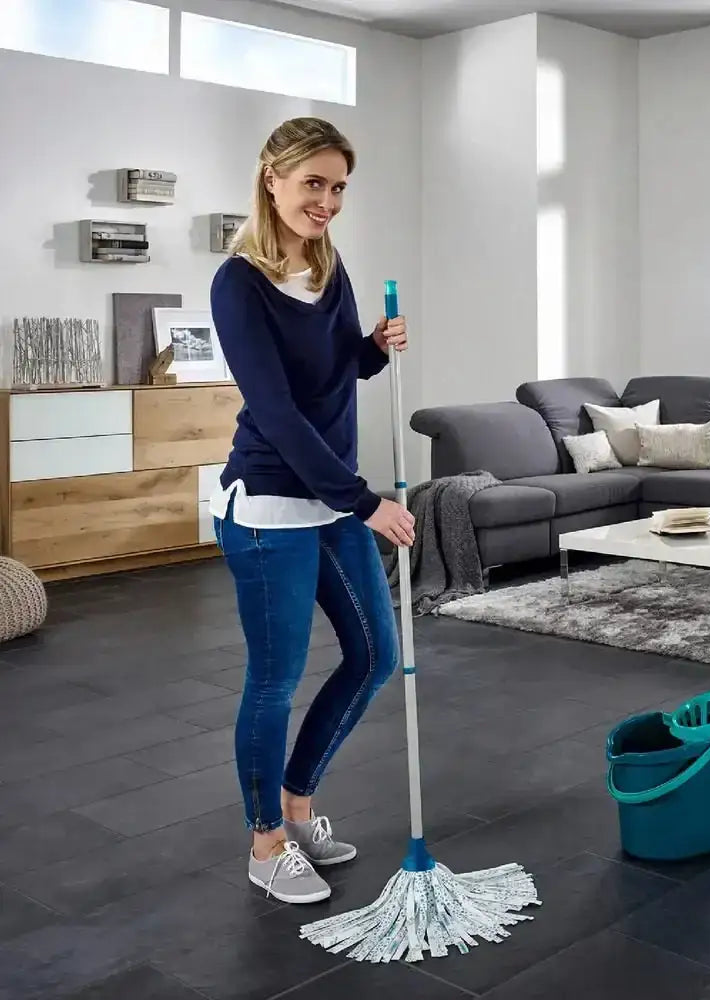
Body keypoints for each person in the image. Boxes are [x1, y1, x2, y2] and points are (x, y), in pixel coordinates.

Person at [208, 116, 415, 905]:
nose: (326, 201)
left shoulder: (330, 265)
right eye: (313, 184)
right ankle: (266, 843)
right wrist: (364, 502)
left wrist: (373, 345)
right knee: (274, 678)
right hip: (267, 506)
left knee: (372, 658)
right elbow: (280, 410)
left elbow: (333, 375)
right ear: (273, 178)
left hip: (329, 500)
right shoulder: (238, 282)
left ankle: (300, 803)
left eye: (337, 188)